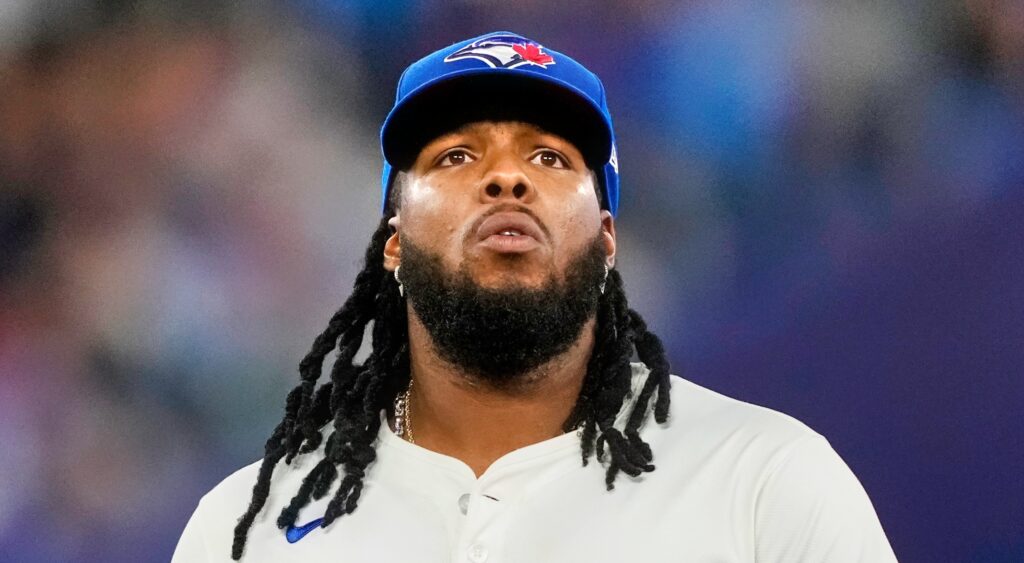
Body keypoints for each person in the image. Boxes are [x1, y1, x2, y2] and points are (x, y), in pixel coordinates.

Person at [171, 31, 897, 562]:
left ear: (607, 237)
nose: (506, 180)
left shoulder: (765, 480)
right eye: (456, 156)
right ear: (392, 239)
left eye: (549, 157)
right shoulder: (247, 528)